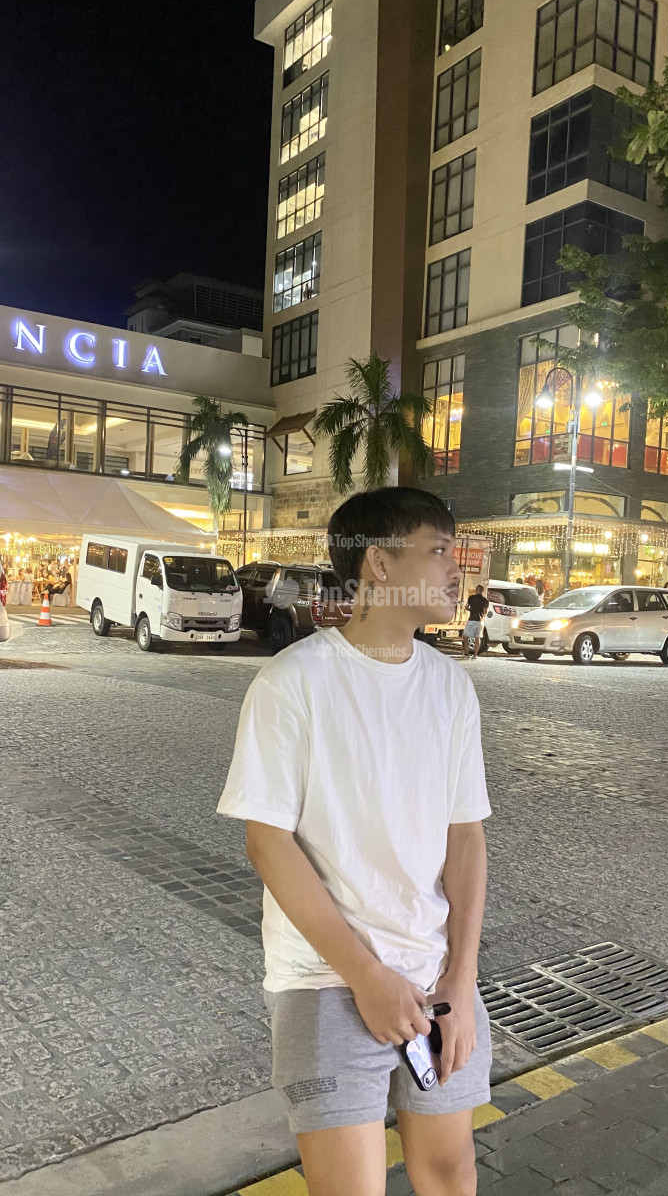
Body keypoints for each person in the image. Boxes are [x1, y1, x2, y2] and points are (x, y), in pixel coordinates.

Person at [218, 488, 491, 1196]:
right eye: (438, 550)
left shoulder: (450, 687)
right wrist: (366, 976)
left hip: (435, 978)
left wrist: (460, 980)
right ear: (378, 563)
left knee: (451, 1174)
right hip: (326, 982)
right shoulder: (293, 682)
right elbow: (267, 843)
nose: (456, 569)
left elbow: (465, 838)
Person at [461, 583, 489, 660]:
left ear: (476, 590)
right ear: (482, 591)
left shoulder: (471, 598)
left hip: (472, 619)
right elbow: (485, 612)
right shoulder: (486, 600)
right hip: (480, 622)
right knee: (477, 638)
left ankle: (467, 653)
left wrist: (471, 610)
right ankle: (475, 655)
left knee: (465, 636)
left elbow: (467, 607)